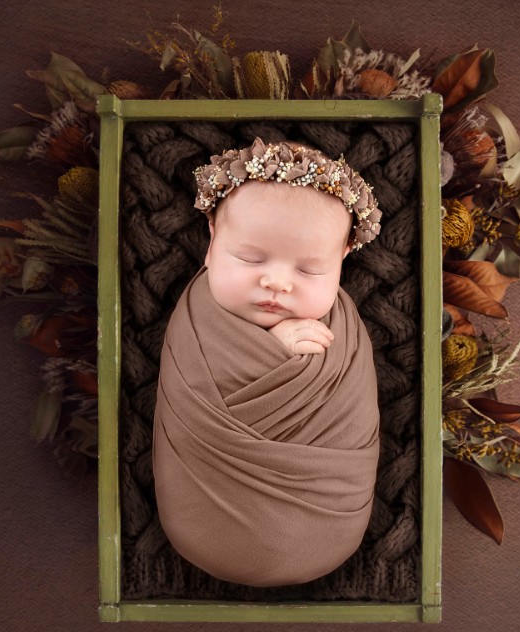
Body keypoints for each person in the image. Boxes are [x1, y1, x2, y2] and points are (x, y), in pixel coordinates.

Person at [152, 138, 383, 587]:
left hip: (326, 520)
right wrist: (271, 353)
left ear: (342, 264)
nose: (276, 282)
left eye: (309, 270)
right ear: (211, 244)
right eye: (249, 258)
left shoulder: (346, 331)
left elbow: (351, 409)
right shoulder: (197, 317)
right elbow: (192, 393)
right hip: (204, 510)